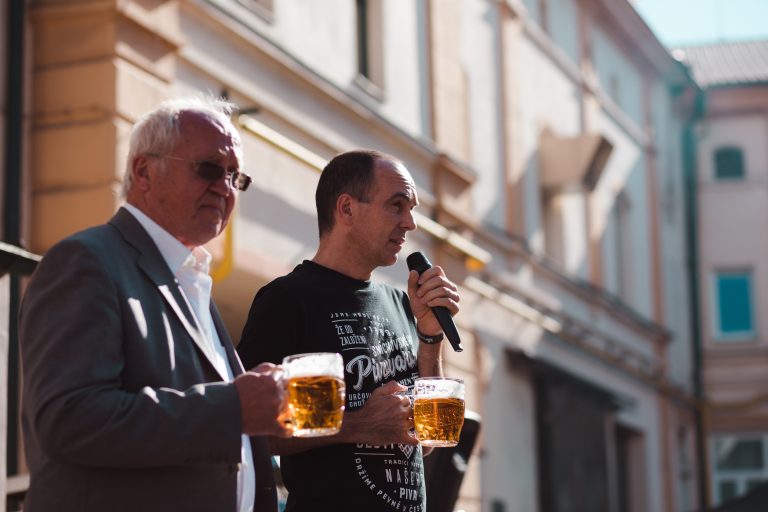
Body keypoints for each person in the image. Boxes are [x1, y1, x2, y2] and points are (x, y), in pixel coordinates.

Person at [19, 95, 291, 512]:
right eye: (209, 168)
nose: (224, 187)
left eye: (235, 176)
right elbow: (68, 420)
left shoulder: (189, 275)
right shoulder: (87, 261)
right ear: (143, 171)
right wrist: (233, 407)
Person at [238, 149, 461, 512]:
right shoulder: (290, 299)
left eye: (411, 209)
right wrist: (356, 425)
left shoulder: (401, 304)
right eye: (397, 205)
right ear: (346, 209)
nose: (410, 223)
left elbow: (431, 438)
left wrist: (431, 338)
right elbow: (250, 430)